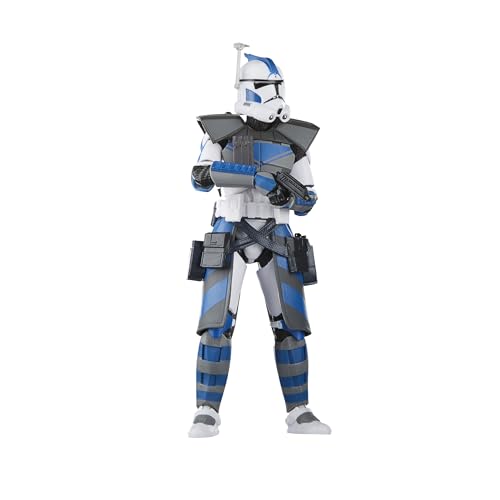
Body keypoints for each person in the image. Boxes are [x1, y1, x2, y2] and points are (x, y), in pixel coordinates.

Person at [187, 46, 331, 437]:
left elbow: (308, 198)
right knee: (216, 324)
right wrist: (255, 178)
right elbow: (201, 176)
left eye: (278, 86)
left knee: (292, 326)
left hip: (277, 234)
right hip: (229, 231)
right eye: (268, 87)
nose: (275, 94)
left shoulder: (294, 140)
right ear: (248, 89)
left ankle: (299, 411)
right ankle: (206, 410)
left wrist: (294, 197)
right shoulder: (221, 132)